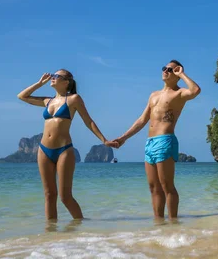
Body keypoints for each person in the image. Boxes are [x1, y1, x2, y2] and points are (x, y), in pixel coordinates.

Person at [17, 70, 119, 221]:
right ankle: (51, 234)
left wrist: (104, 140)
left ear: (66, 82)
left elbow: (88, 121)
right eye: (53, 75)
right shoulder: (48, 101)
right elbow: (22, 96)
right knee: (49, 195)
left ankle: (80, 226)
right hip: (43, 150)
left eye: (57, 76)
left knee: (65, 197)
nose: (52, 77)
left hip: (64, 150)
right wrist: (39, 83)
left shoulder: (74, 99)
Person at [115, 60, 201, 220]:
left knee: (167, 186)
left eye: (171, 70)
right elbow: (142, 120)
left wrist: (181, 74)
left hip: (165, 140)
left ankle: (173, 223)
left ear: (176, 74)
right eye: (165, 68)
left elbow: (195, 90)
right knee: (154, 188)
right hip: (150, 143)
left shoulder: (179, 93)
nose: (166, 71)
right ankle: (159, 225)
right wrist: (123, 138)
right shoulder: (153, 95)